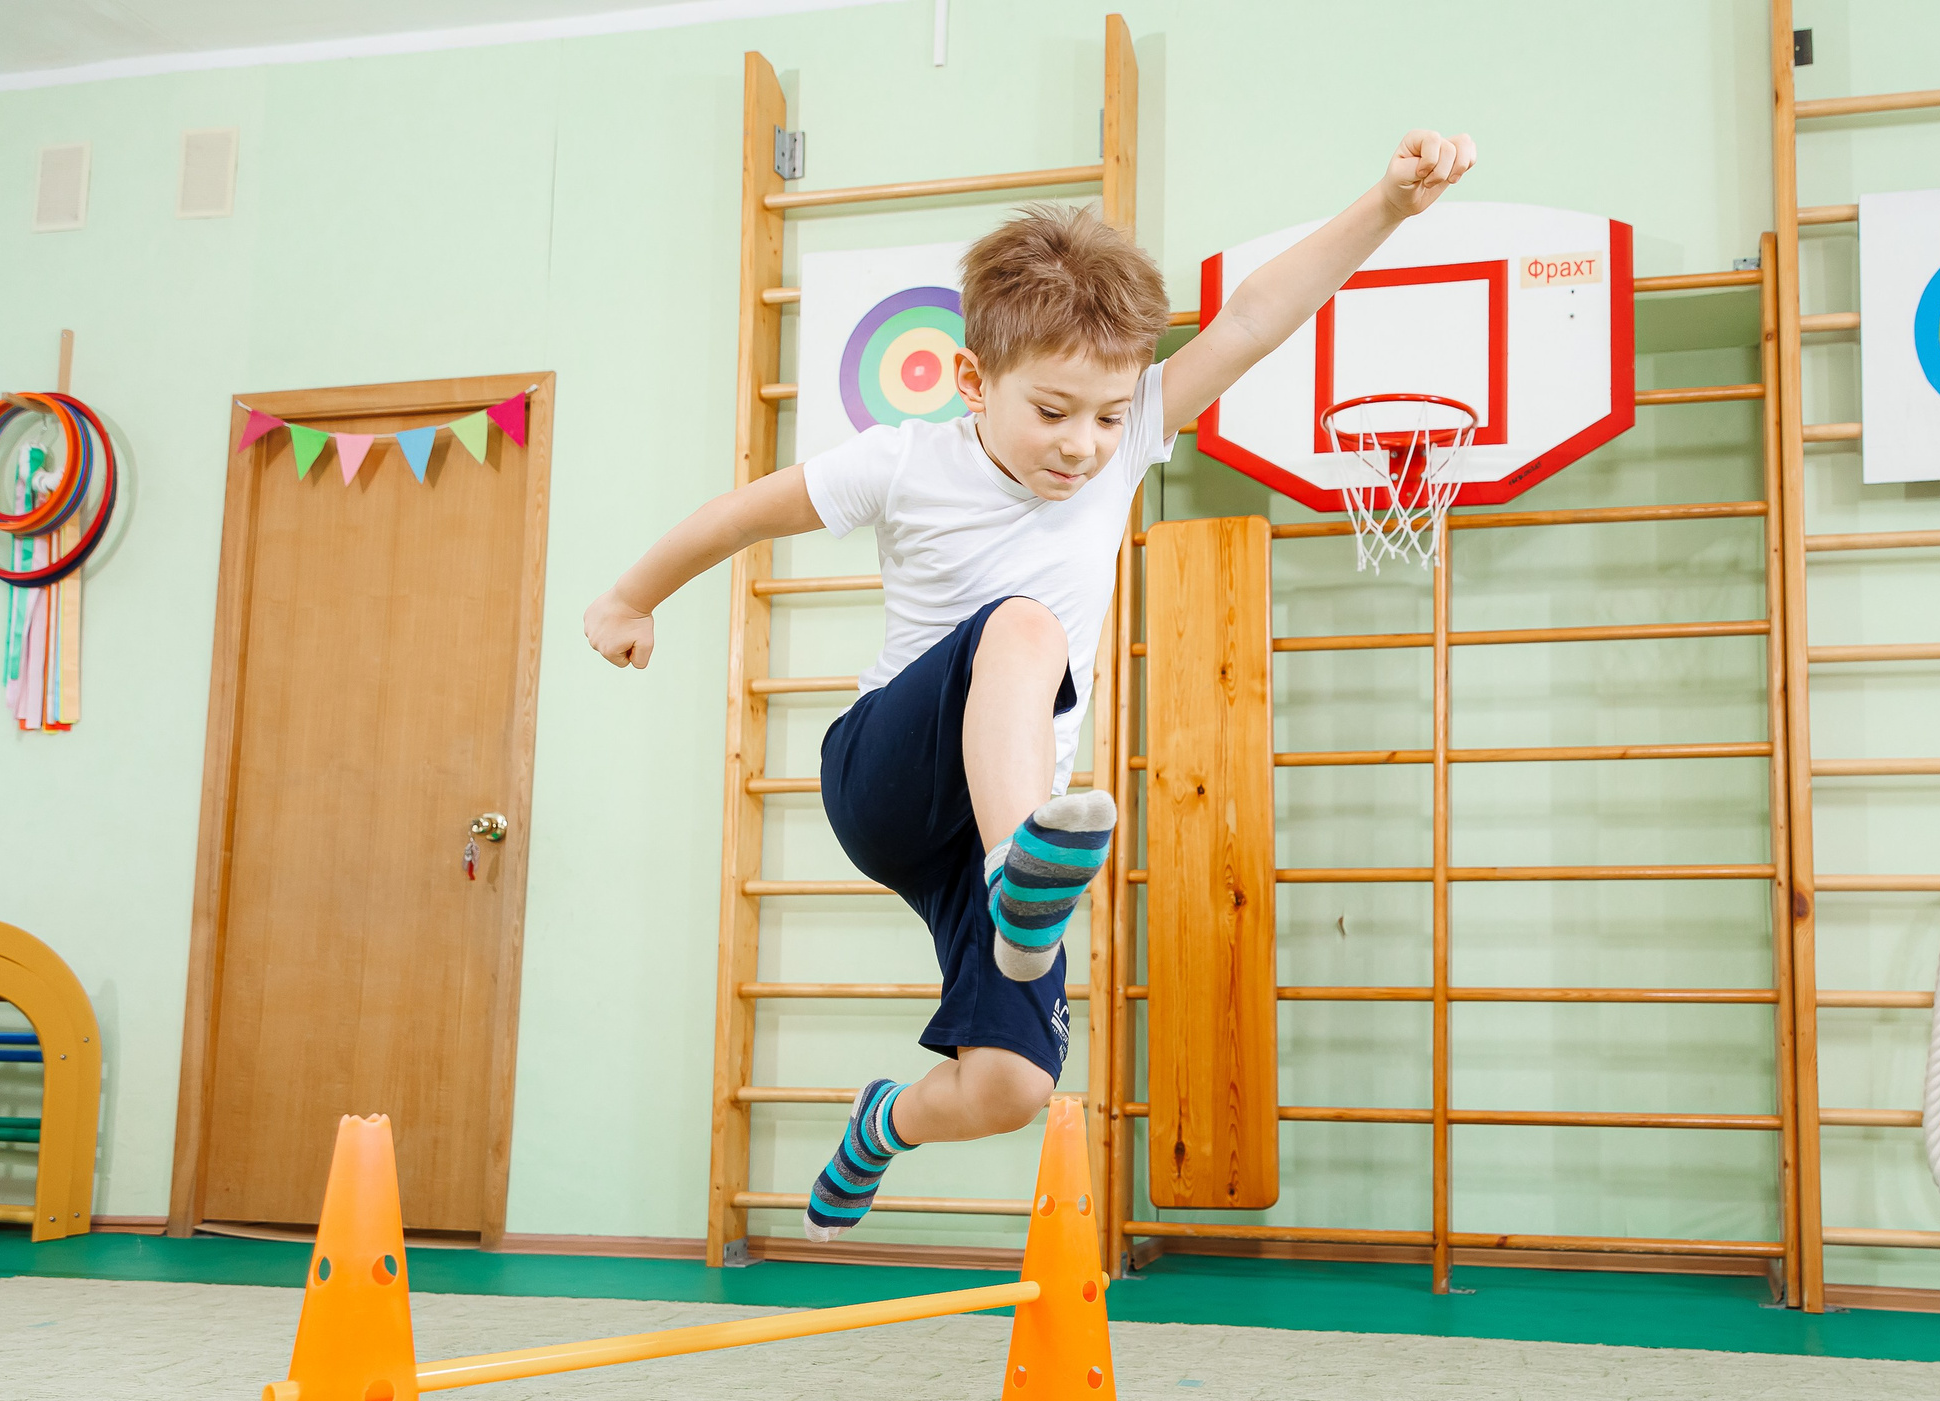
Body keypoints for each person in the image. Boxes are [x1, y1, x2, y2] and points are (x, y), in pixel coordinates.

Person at [585, 129, 1478, 1240]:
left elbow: (1253, 315)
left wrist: (1388, 204)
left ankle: (885, 1120)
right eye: (1052, 411)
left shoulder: (1133, 428)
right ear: (973, 379)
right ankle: (1024, 867)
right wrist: (628, 600)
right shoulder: (903, 460)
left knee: (1010, 1088)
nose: (1085, 447)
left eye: (1110, 417)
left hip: (997, 829)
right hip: (889, 781)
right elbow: (737, 514)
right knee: (1021, 626)